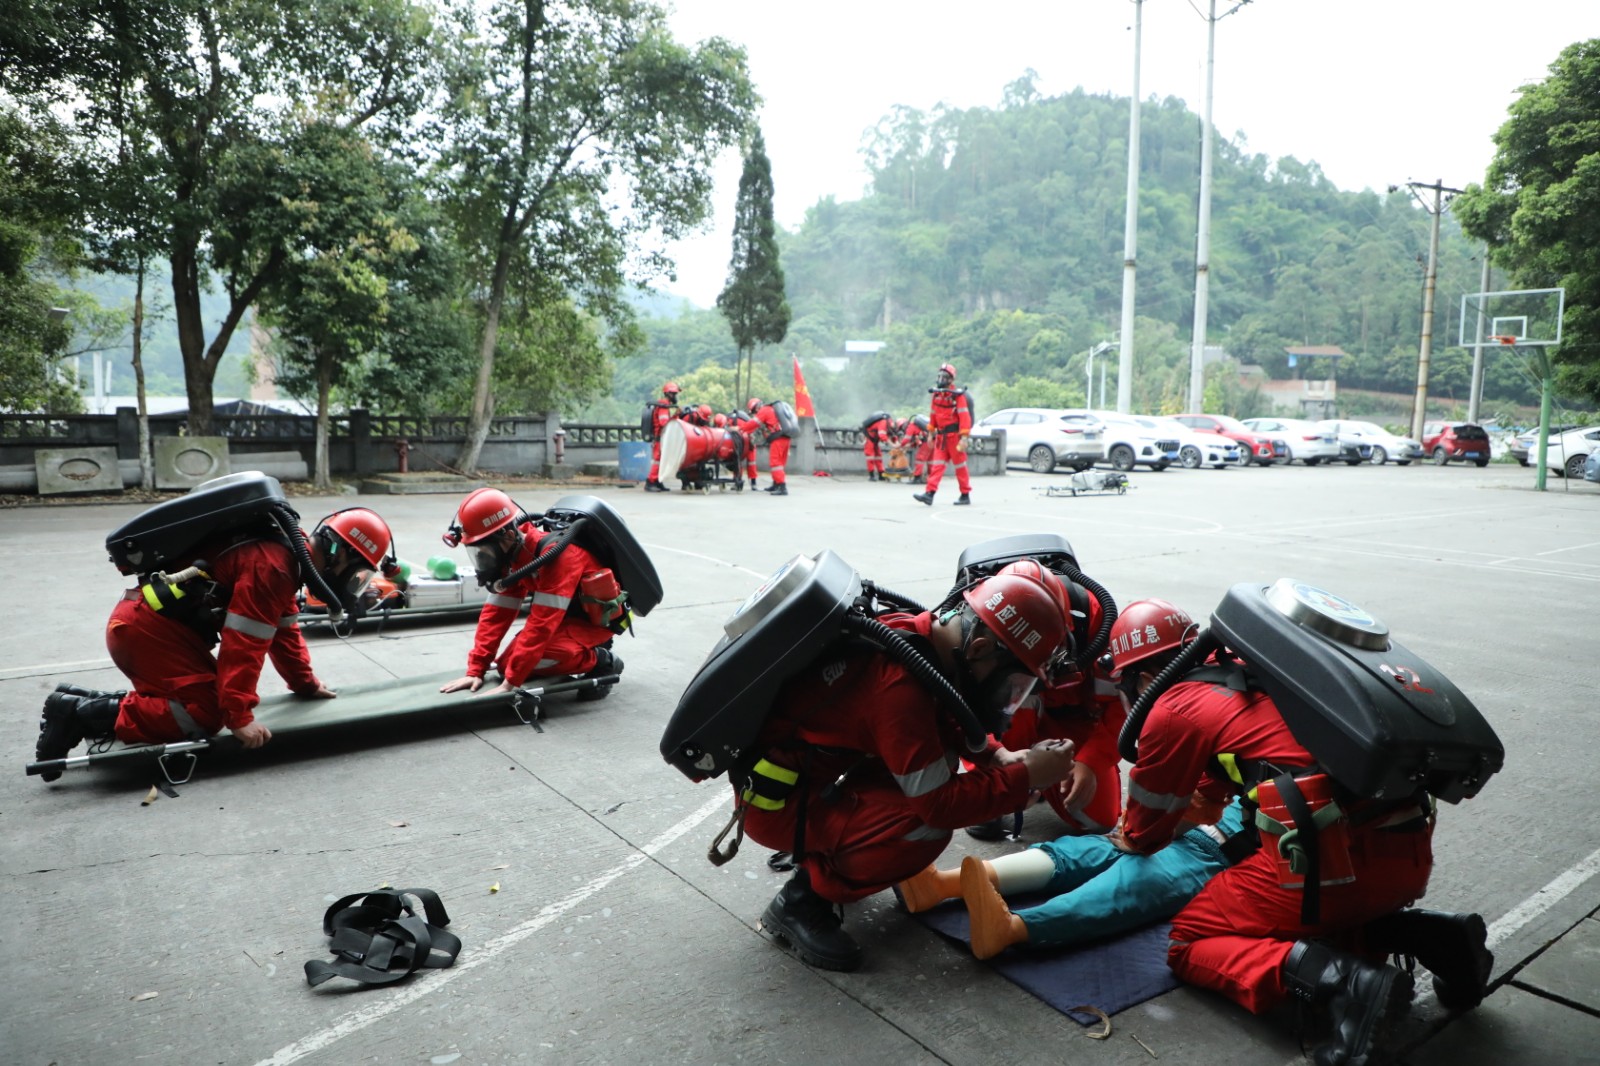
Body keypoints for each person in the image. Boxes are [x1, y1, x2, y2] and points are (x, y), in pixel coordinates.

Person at [1110, 598, 1493, 1066]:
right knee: (1330, 923)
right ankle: (1438, 938)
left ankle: (1346, 986)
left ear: (1144, 679)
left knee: (1189, 939)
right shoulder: (1258, 673)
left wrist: (1128, 836)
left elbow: (1145, 832)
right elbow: (1215, 792)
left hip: (1330, 872)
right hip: (1408, 852)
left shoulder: (1173, 707)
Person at [744, 563, 1081, 972]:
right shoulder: (897, 687)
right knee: (923, 828)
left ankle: (832, 846)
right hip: (778, 806)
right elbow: (939, 806)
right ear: (978, 649)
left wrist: (998, 757)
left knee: (939, 762)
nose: (1009, 696)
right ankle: (802, 900)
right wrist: (1025, 776)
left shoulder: (918, 636)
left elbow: (945, 714)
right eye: (1012, 683)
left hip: (806, 779)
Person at [34, 507, 401, 779]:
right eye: (358, 573)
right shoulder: (273, 567)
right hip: (146, 633)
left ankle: (81, 702)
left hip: (148, 625)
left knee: (202, 700)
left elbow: (284, 631)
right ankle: (77, 715)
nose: (354, 581)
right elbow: (243, 647)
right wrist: (238, 718)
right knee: (205, 714)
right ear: (340, 554)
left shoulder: (285, 554)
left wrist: (305, 683)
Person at [899, 795, 1246, 959]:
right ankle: (939, 885)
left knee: (1131, 886)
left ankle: (1010, 929)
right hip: (1179, 820)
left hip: (1215, 856)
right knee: (1081, 852)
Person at [965, 578, 1126, 842]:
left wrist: (1090, 761)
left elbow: (1120, 706)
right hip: (1013, 720)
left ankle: (1042, 780)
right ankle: (990, 788)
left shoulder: (1095, 623)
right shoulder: (986, 616)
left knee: (1099, 819)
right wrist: (997, 763)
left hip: (1073, 721)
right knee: (1009, 692)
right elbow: (967, 713)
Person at [439, 488, 623, 699]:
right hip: (562, 619)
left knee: (535, 661)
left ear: (508, 536)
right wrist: (476, 670)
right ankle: (575, 650)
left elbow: (541, 625)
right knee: (506, 665)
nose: (483, 559)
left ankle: (602, 661)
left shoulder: (558, 557)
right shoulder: (514, 555)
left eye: (485, 550)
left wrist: (509, 684)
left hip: (592, 622)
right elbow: (496, 615)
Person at [913, 363, 973, 506]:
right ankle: (929, 494)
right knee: (937, 466)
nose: (941, 379)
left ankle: (965, 494)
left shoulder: (957, 396)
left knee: (960, 466)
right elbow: (933, 415)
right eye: (940, 376)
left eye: (944, 377)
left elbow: (964, 417)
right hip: (941, 438)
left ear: (951, 380)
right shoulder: (936, 395)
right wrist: (930, 433)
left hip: (955, 437)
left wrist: (964, 438)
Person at [746, 398, 790, 496]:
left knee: (775, 463)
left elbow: (753, 424)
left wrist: (741, 429)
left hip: (778, 438)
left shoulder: (764, 411)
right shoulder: (772, 410)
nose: (755, 414)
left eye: (754, 411)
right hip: (784, 437)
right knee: (779, 463)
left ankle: (782, 487)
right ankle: (776, 484)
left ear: (756, 408)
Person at [644, 381, 681, 492]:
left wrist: (676, 415)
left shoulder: (665, 405)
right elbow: (664, 422)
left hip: (662, 438)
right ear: (669, 394)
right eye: (674, 394)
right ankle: (650, 482)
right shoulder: (663, 406)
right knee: (658, 461)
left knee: (662, 460)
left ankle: (657, 481)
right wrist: (674, 418)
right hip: (659, 438)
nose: (675, 396)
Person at [861, 411, 894, 482]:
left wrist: (896, 442)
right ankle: (871, 475)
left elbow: (891, 434)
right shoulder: (884, 422)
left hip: (875, 439)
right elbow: (882, 435)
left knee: (878, 456)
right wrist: (892, 444)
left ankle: (881, 475)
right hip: (869, 438)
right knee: (870, 456)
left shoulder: (889, 424)